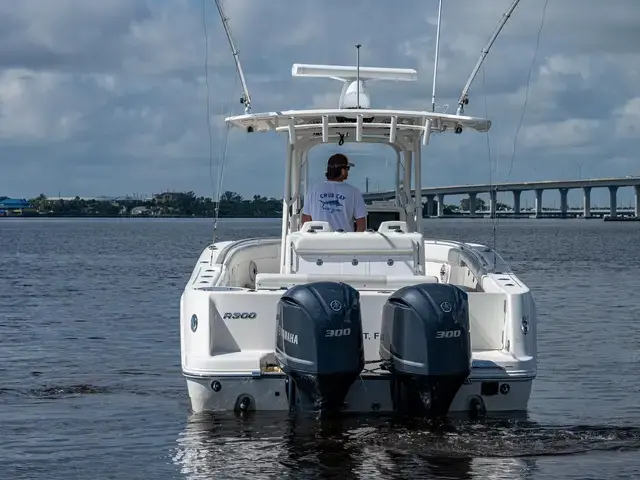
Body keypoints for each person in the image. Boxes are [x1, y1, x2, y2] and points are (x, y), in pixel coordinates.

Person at [301, 153, 367, 232]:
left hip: (318, 241)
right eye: (347, 169)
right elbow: (361, 224)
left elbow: (306, 220)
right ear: (342, 171)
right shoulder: (354, 192)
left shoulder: (313, 190)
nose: (348, 172)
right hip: (344, 242)